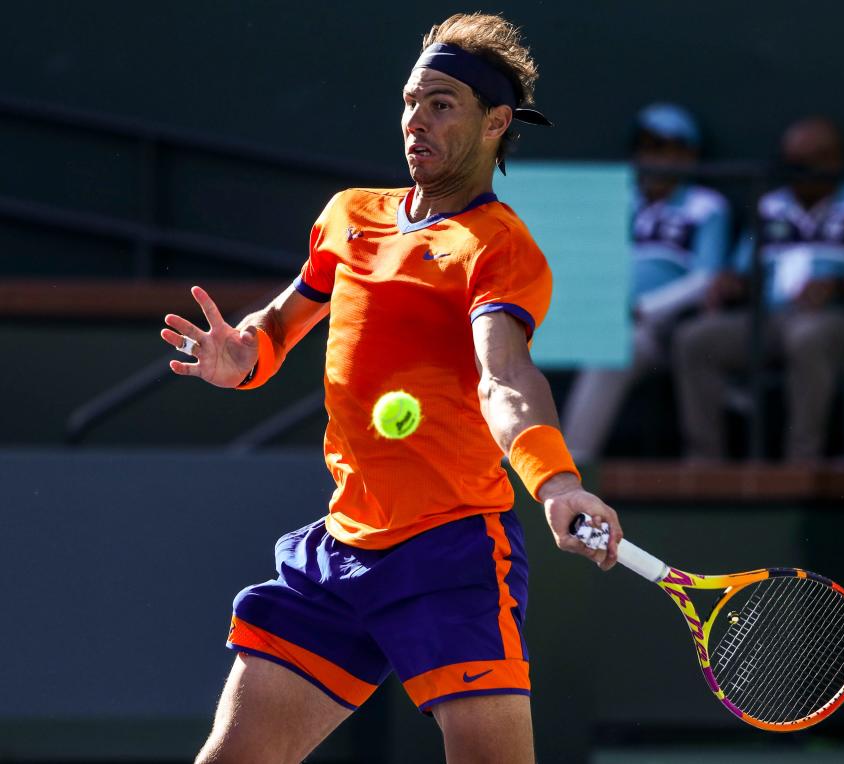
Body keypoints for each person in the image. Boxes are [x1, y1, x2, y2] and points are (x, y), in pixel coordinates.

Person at [159, 13, 622, 764]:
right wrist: (240, 354)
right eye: (410, 101)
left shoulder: (500, 248)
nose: (416, 120)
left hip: (453, 553)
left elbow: (503, 378)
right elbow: (278, 327)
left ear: (496, 122)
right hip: (340, 551)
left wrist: (557, 483)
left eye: (442, 104)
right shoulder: (350, 215)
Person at [673, 116, 844, 462]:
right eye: (788, 163)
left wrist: (839, 286)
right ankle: (704, 460)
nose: (792, 172)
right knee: (695, 339)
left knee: (808, 336)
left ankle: (801, 461)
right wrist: (729, 284)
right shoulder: (773, 206)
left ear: (833, 160)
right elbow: (743, 272)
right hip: (771, 318)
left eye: (802, 164)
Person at [562, 103, 731, 460]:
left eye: (667, 147)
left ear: (688, 155)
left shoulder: (706, 206)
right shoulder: (620, 200)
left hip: (664, 329)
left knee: (617, 346)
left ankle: (569, 463)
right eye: (647, 146)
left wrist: (647, 309)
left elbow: (707, 278)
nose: (655, 157)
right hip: (599, 318)